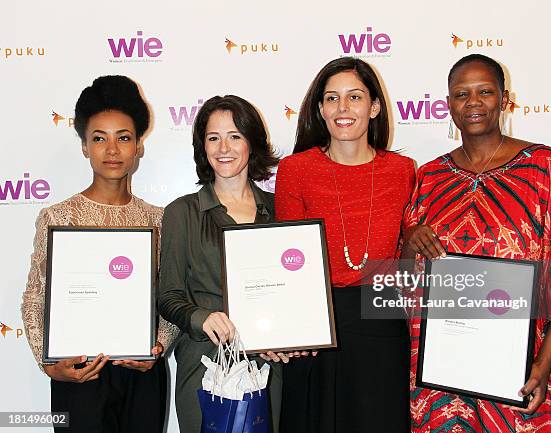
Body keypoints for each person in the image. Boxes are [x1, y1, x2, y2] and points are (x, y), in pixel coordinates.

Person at [404, 53, 551, 433]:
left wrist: (542, 366)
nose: (474, 102)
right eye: (461, 94)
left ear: (504, 98)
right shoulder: (429, 177)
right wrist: (411, 243)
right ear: (447, 103)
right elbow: (407, 280)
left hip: (528, 368)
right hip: (447, 377)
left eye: (485, 91)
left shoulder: (547, 167)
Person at [21, 75, 179, 433]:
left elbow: (172, 295)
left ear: (139, 145)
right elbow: (35, 296)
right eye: (99, 138)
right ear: (83, 147)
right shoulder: (58, 217)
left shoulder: (159, 219)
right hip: (79, 374)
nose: (112, 150)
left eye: (123, 138)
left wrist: (158, 346)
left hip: (140, 374)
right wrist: (48, 364)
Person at [275, 57, 416, 433]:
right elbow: (287, 261)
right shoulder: (295, 170)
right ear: (320, 109)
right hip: (315, 319)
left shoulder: (403, 172)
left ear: (374, 107)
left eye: (354, 97)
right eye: (332, 98)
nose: (343, 108)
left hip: (382, 317)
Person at [158, 95, 290, 433]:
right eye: (213, 137)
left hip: (268, 363)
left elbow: (294, 291)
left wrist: (288, 335)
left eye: (235, 136)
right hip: (204, 362)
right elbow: (169, 295)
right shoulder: (182, 213)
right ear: (202, 147)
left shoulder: (281, 210)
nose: (223, 147)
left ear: (252, 143)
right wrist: (202, 318)